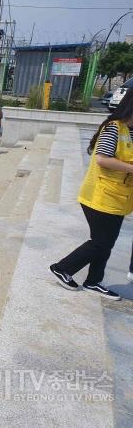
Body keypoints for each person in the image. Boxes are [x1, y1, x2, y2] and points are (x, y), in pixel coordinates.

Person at [49, 90, 133, 301]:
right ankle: (62, 268)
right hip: (101, 196)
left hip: (118, 198)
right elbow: (102, 159)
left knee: (106, 243)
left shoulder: (129, 130)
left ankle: (93, 281)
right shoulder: (114, 128)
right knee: (100, 243)